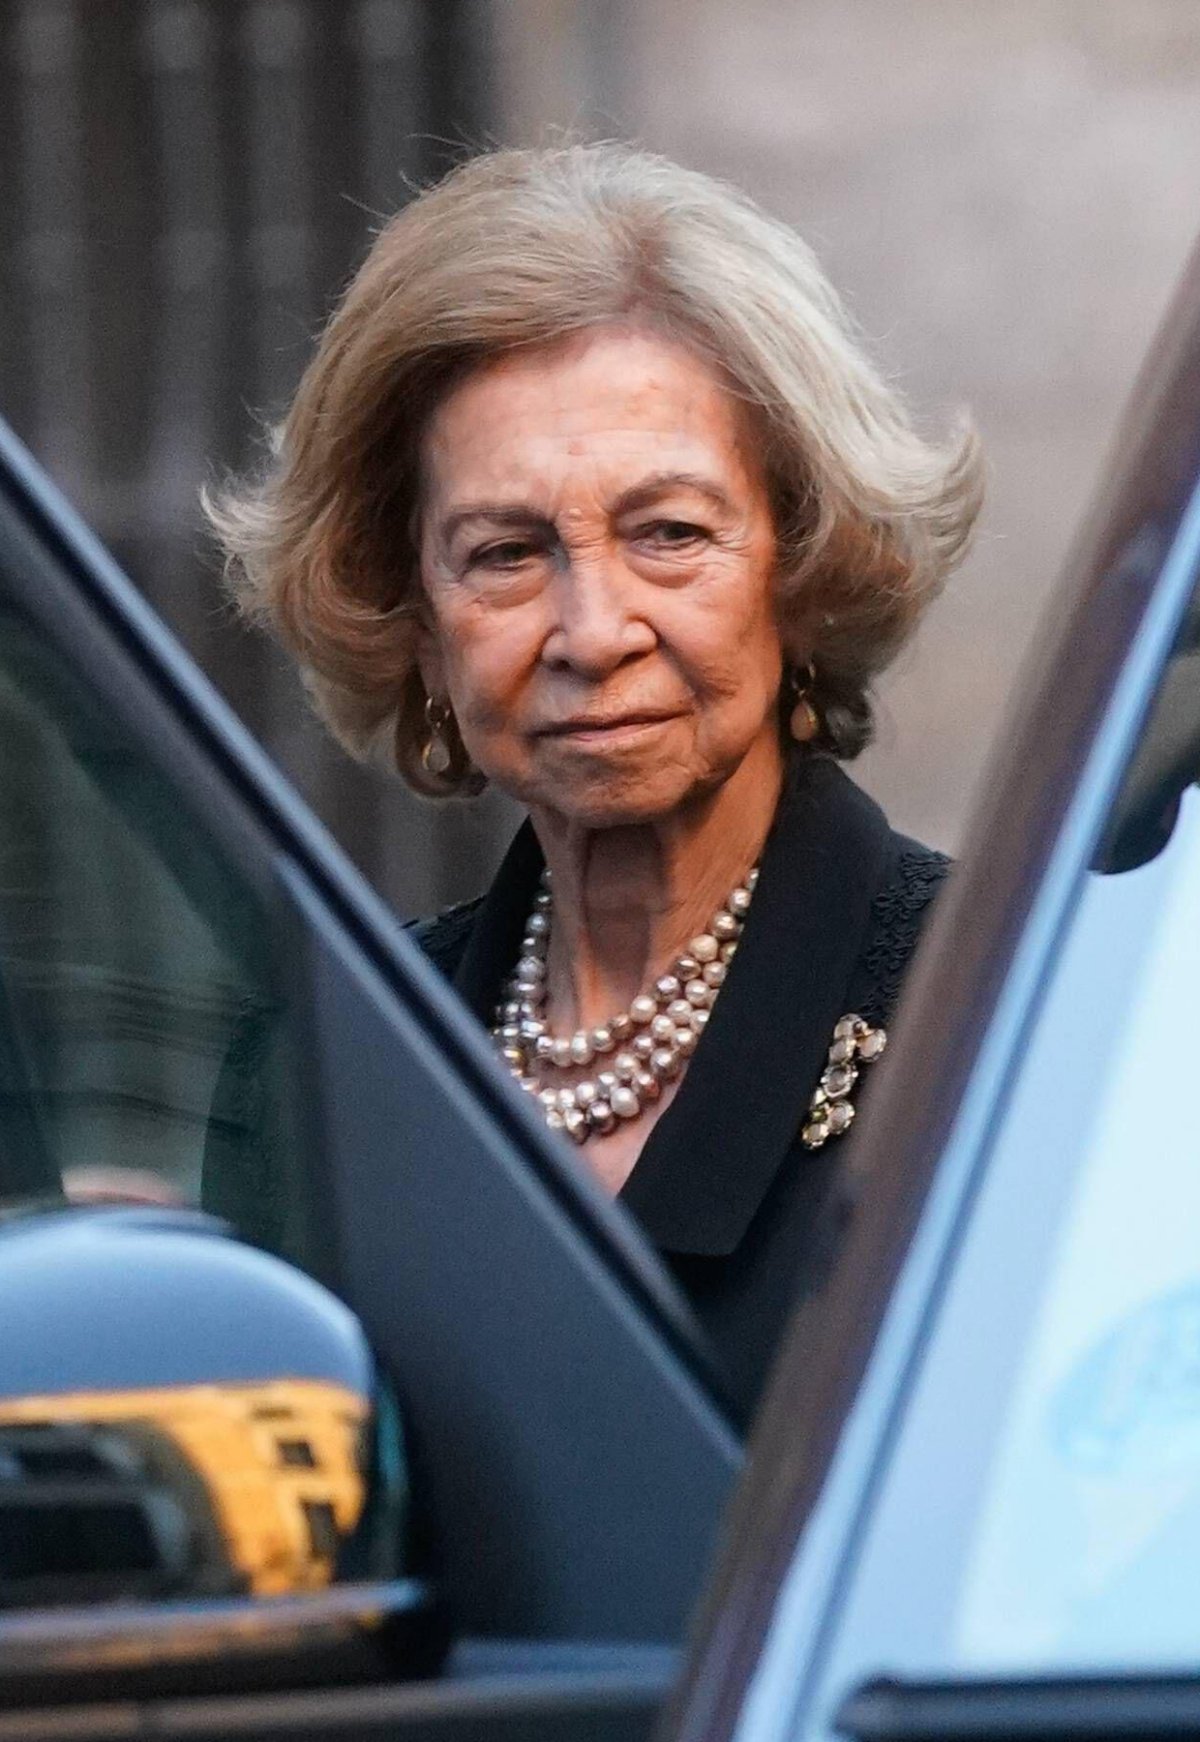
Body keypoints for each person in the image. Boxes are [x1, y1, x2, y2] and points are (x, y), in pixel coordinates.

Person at [207, 143, 983, 1419]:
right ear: (412, 617)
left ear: (804, 560)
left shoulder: (999, 1008)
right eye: (506, 552)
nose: (592, 628)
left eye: (668, 532)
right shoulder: (326, 1061)